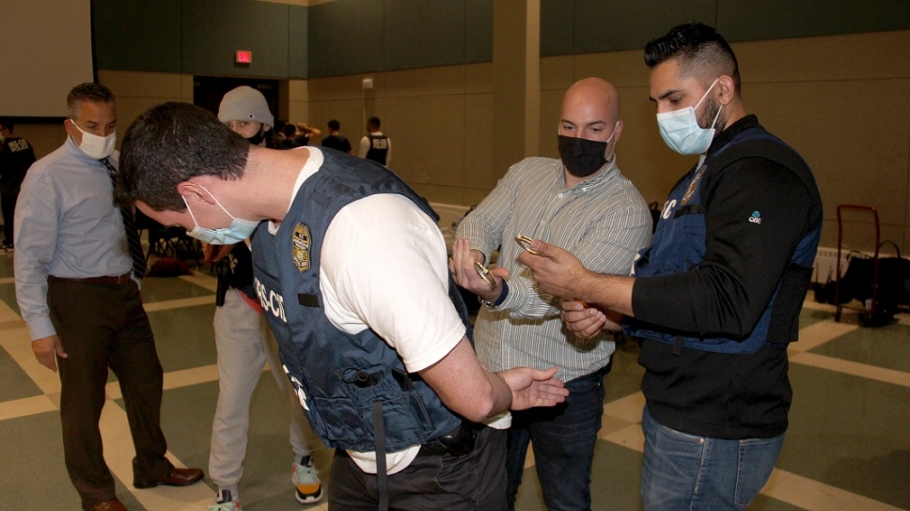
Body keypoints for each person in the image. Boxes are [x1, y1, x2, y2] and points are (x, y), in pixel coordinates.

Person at [116, 101, 570, 511]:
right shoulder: (271, 212)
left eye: (180, 222)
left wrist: (505, 392)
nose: (194, 235)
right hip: (361, 452)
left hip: (439, 471)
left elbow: (473, 397)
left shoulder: (363, 233)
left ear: (196, 194)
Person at [517, 22, 823, 511]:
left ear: (722, 89)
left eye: (675, 99)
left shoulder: (760, 174)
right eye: (657, 102)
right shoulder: (702, 176)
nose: (662, 115)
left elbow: (728, 301)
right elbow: (674, 285)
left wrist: (586, 283)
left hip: (716, 422)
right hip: (677, 409)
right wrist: (614, 314)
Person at [450, 77, 652, 511]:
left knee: (565, 501)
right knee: (485, 497)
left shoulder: (625, 211)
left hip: (565, 388)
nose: (579, 140)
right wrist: (475, 254)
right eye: (569, 126)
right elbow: (479, 220)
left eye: (595, 129)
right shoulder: (527, 173)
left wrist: (501, 291)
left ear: (616, 133)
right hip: (492, 373)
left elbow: (564, 293)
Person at [13, 83, 204, 511]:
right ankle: (96, 494)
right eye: (92, 125)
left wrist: (134, 282)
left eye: (111, 124)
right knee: (84, 402)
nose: (103, 132)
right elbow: (28, 258)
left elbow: (125, 227)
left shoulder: (117, 166)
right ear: (70, 125)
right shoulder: (47, 176)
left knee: (146, 380)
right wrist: (40, 329)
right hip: (77, 298)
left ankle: (152, 464)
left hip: (124, 292)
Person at [206, 86, 324, 510]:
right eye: (228, 124)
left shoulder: (287, 168)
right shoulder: (213, 173)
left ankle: (305, 458)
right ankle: (224, 484)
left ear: (264, 124)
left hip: (285, 306)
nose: (236, 131)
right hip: (239, 299)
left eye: (244, 122)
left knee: (298, 393)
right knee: (232, 395)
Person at [0, 119, 36, 251]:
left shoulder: (4, 147)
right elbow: (33, 162)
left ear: (6, 130)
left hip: (9, 186)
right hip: (25, 185)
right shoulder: (24, 142)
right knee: (23, 215)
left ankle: (9, 241)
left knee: (9, 215)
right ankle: (22, 241)